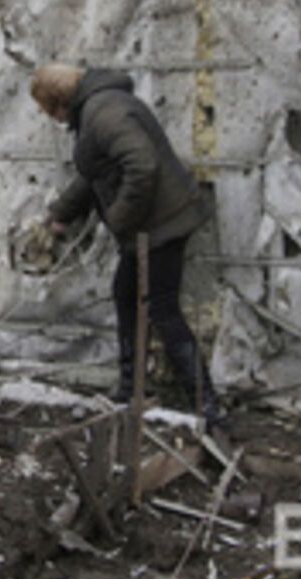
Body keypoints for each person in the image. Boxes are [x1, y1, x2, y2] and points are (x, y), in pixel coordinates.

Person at [30, 63, 222, 427]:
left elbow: (143, 167)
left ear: (59, 103)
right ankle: (132, 389)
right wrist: (60, 215)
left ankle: (206, 404)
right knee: (126, 294)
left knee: (162, 309)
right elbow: (94, 175)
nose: (52, 119)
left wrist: (118, 219)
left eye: (49, 110)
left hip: (162, 224)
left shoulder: (105, 115)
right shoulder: (100, 108)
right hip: (156, 223)